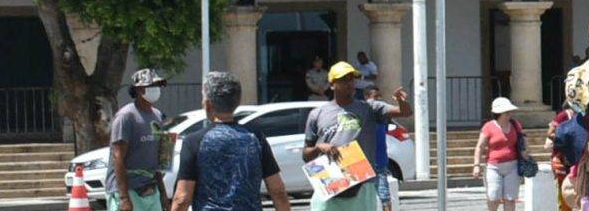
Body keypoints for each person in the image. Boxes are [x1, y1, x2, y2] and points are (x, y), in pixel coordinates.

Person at [170, 71, 290, 211]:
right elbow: (278, 191)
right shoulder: (255, 137)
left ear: (208, 104)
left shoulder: (194, 141)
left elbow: (182, 198)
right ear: (237, 102)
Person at [302, 61, 411, 211]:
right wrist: (320, 147)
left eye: (352, 79)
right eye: (344, 80)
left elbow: (404, 112)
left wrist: (401, 101)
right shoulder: (317, 114)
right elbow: (306, 154)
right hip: (329, 184)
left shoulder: (369, 108)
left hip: (361, 184)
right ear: (332, 84)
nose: (350, 83)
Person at [110, 68, 170, 211]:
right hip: (129, 191)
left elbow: (158, 161)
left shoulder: (157, 116)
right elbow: (117, 157)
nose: (156, 89)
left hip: (151, 190)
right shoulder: (126, 117)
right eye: (151, 86)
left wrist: (163, 194)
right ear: (139, 90)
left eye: (158, 86)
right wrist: (124, 198)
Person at [472, 96, 524, 211]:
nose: (510, 114)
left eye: (510, 112)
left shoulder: (515, 125)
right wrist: (476, 165)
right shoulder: (488, 127)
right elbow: (480, 147)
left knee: (510, 199)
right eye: (507, 112)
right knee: (493, 197)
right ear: (499, 113)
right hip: (493, 166)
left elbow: (523, 143)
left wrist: (526, 158)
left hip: (513, 166)